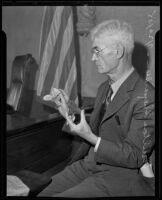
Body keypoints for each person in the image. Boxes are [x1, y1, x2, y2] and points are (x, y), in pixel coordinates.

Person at [38, 19, 155, 197]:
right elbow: (100, 128)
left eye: (97, 51)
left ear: (118, 51)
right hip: (91, 164)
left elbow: (135, 155)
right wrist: (68, 111)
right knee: (41, 192)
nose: (93, 58)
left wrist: (90, 137)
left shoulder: (146, 95)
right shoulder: (104, 88)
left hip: (122, 175)